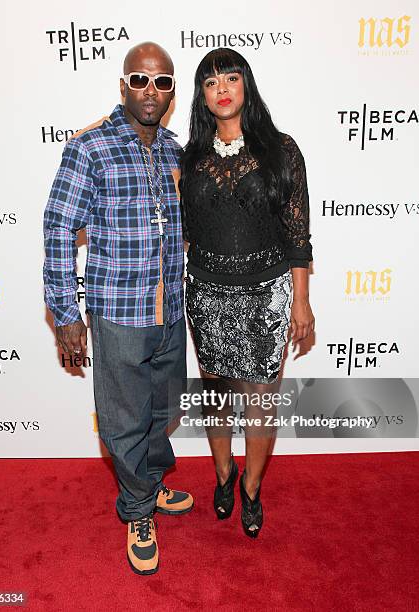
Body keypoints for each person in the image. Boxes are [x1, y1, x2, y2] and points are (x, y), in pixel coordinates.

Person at [43, 42, 193, 576]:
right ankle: (137, 510)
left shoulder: (177, 151)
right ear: (123, 85)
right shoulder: (90, 148)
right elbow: (59, 227)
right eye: (140, 79)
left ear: (172, 93)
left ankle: (149, 484)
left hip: (170, 312)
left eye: (163, 82)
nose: (151, 91)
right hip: (119, 314)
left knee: (163, 412)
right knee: (124, 421)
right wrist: (65, 313)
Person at [180, 48, 314, 538]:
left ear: (245, 86)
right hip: (208, 293)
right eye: (211, 82)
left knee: (260, 401)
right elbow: (184, 232)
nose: (221, 88)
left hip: (268, 294)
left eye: (230, 78)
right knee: (215, 396)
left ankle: (251, 489)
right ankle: (223, 473)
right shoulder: (190, 158)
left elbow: (297, 235)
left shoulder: (282, 150)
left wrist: (301, 301)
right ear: (202, 96)